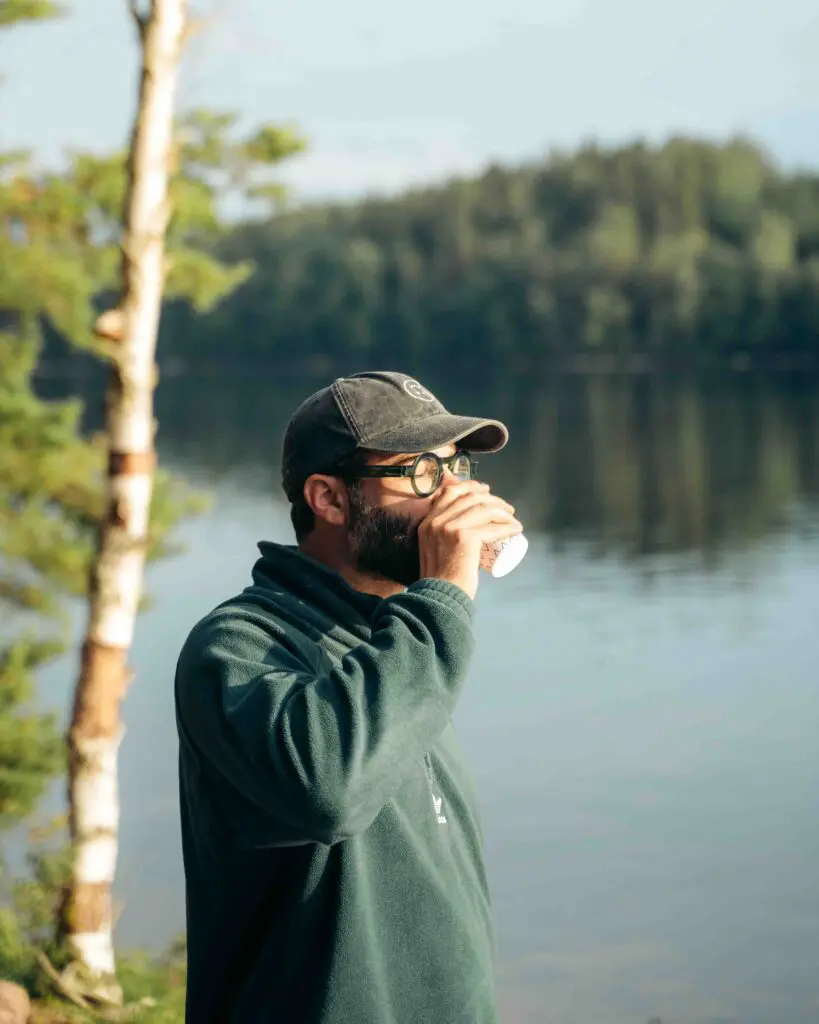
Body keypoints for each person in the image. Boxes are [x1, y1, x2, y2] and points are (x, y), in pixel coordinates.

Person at [175, 371, 523, 1023]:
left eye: (458, 467)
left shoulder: (395, 641)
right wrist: (443, 594)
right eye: (421, 472)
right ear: (329, 498)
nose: (454, 495)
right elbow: (328, 791)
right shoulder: (238, 647)